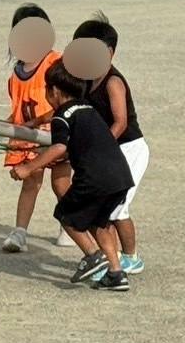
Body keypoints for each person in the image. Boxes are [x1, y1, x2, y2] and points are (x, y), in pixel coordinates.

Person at [10, 61, 134, 291]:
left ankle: (93, 255)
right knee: (99, 222)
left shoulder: (61, 118)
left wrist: (28, 168)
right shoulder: (87, 108)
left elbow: (59, 147)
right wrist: (38, 122)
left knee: (65, 213)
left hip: (95, 177)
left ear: (55, 91)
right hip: (120, 176)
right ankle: (116, 273)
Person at [73, 12, 148, 277]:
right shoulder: (84, 81)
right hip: (107, 151)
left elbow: (120, 122)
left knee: (117, 208)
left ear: (109, 53)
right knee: (102, 207)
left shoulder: (113, 82)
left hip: (129, 149)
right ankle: (110, 257)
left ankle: (131, 258)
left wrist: (98, 148)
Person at [1, 4, 70, 254]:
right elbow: (19, 108)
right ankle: (20, 232)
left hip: (56, 135)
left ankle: (69, 226)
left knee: (61, 184)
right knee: (30, 182)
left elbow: (67, 100)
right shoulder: (16, 75)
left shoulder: (56, 63)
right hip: (30, 139)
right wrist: (9, 124)